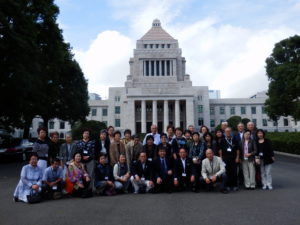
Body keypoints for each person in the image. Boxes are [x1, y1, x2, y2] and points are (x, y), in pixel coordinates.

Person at [219, 127, 240, 191]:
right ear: (224, 133)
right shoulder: (222, 140)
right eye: (226, 131)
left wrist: (237, 157)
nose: (228, 132)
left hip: (233, 158)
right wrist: (221, 158)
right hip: (225, 158)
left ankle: (235, 185)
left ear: (231, 132)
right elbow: (220, 150)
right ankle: (227, 185)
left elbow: (238, 150)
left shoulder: (234, 140)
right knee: (227, 172)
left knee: (234, 172)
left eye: (229, 131)